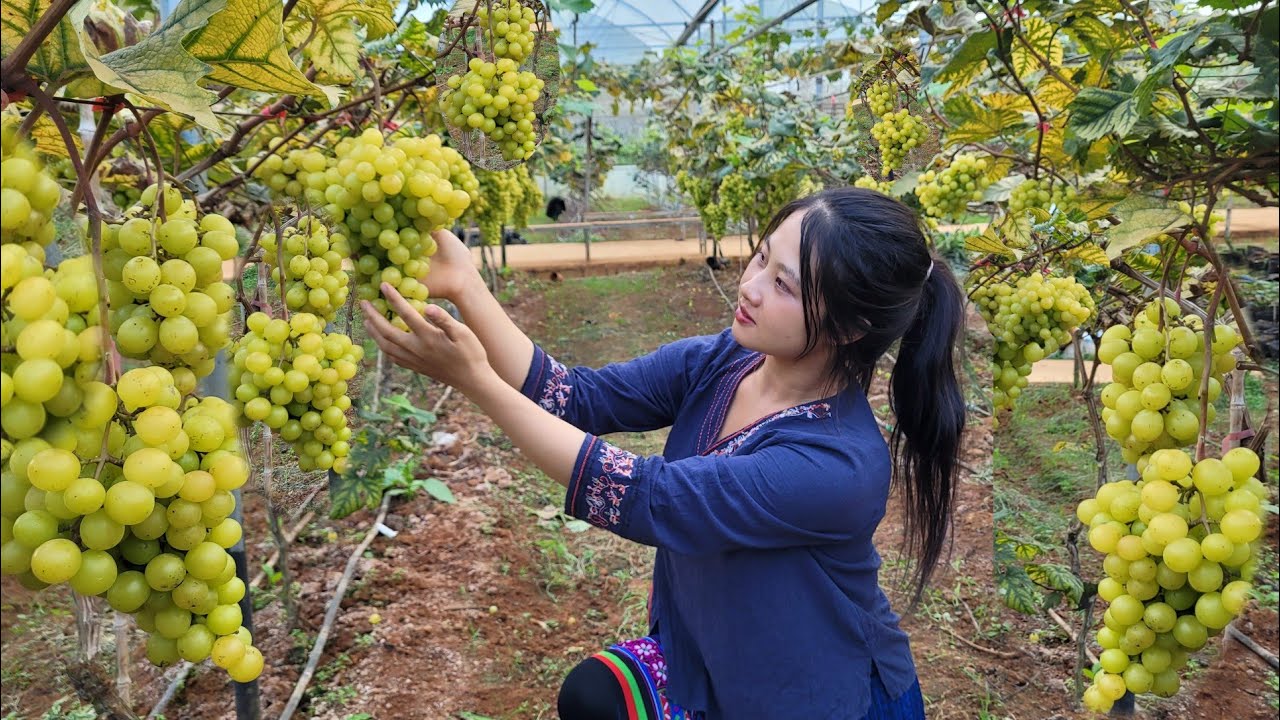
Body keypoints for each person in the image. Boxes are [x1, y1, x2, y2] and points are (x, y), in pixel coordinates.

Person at [361, 186, 968, 719]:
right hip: (712, 652)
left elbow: (644, 497)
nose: (750, 286)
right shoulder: (724, 361)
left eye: (783, 284)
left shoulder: (838, 465)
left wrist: (475, 380)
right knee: (593, 696)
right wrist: (465, 283)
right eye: (761, 257)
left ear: (848, 328)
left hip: (810, 693)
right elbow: (576, 398)